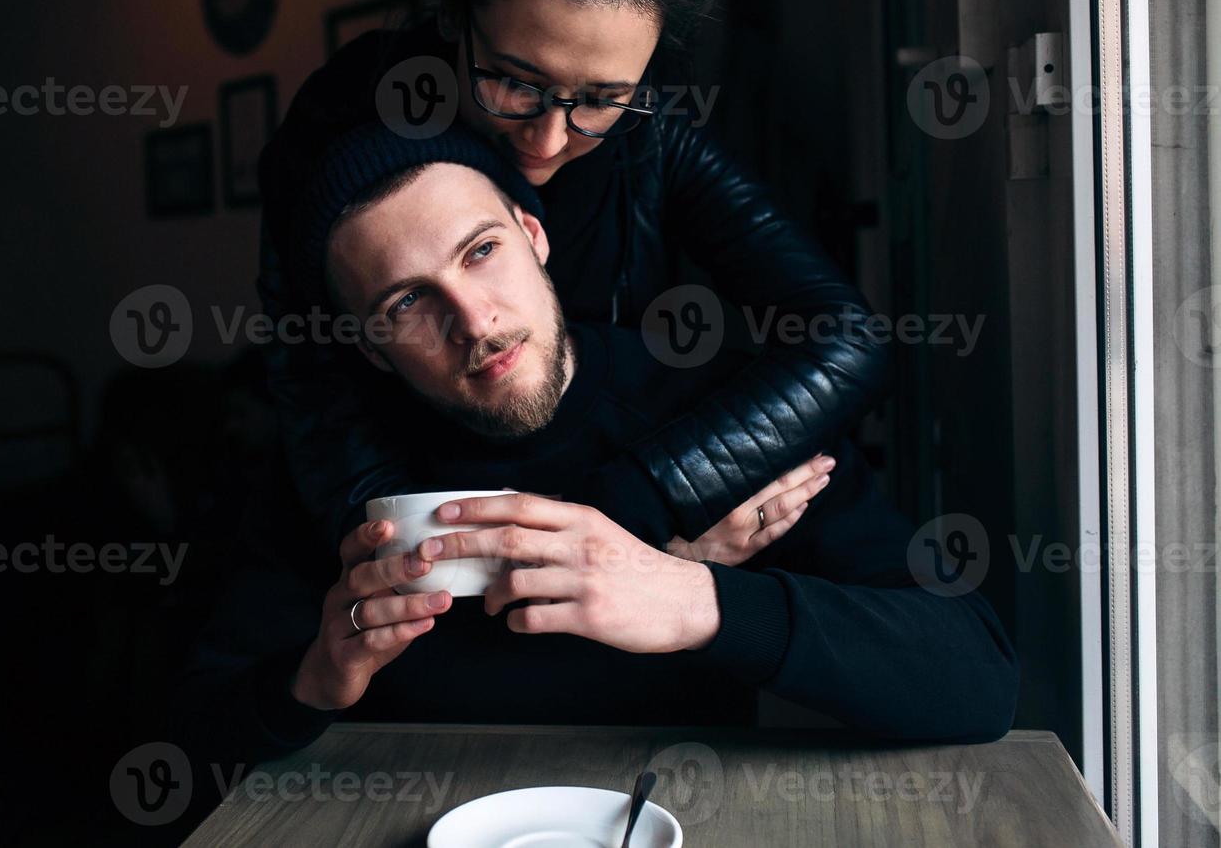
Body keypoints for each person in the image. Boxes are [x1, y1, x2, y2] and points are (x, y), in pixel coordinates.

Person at [174, 126, 1018, 784]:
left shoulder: (713, 410)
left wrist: (698, 598)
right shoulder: (339, 472)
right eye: (406, 304)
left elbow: (977, 675)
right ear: (366, 347)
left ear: (533, 234)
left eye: (481, 252)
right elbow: (198, 738)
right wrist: (316, 677)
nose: (473, 321)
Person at [257, 0, 890, 556]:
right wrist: (443, 562)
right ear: (453, 20)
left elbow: (845, 337)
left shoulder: (651, 135)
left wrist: (646, 501)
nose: (549, 140)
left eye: (600, 98)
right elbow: (328, 427)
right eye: (514, 82)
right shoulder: (339, 127)